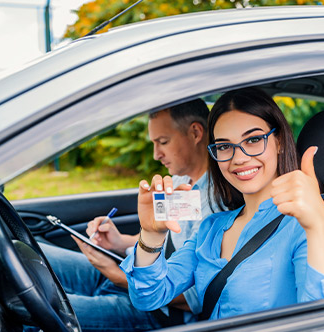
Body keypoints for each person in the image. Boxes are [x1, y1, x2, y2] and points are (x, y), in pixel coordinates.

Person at [121, 87, 324, 320]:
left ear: (279, 141)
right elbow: (148, 297)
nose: (238, 158)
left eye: (253, 140)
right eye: (224, 146)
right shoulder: (211, 228)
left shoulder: (306, 225)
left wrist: (319, 223)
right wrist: (150, 235)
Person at [32, 99, 217, 332]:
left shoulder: (216, 203)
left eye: (163, 142)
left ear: (196, 132)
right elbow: (168, 243)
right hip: (134, 273)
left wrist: (117, 276)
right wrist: (119, 242)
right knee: (33, 257)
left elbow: (195, 298)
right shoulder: (180, 183)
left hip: (161, 312)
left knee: (36, 316)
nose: (156, 154)